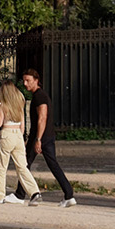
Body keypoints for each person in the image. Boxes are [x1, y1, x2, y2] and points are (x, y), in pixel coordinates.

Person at [20, 67, 77, 207]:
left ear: (36, 80)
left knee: (24, 164)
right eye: (24, 81)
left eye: (28, 80)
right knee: (47, 165)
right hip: (45, 136)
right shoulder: (39, 95)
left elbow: (42, 118)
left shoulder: (40, 96)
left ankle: (19, 194)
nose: (25, 84)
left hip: (41, 137)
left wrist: (38, 139)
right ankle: (68, 194)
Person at [0, 80, 41, 207]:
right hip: (18, 134)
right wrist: (22, 137)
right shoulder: (19, 102)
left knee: (1, 166)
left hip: (6, 133)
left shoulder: (1, 104)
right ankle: (34, 192)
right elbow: (22, 123)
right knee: (22, 166)